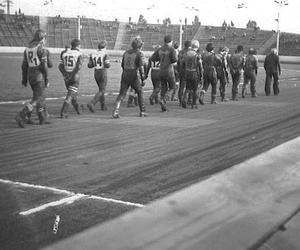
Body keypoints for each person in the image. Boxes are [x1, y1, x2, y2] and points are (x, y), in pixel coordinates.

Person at [15, 29, 50, 128]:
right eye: (45, 38)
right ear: (42, 38)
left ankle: (41, 118)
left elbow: (24, 66)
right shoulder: (41, 49)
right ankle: (21, 115)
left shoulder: (27, 49)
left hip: (31, 76)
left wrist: (24, 79)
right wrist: (47, 79)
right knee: (37, 98)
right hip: (39, 76)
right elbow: (45, 66)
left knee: (39, 96)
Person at [112, 37, 147, 118]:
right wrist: (143, 78)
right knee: (140, 92)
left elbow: (122, 65)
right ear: (140, 46)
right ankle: (142, 111)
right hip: (134, 75)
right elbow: (141, 67)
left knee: (122, 94)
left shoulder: (126, 53)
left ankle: (116, 110)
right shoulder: (140, 54)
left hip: (125, 74)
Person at [151, 35, 178, 112]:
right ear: (170, 41)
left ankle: (163, 104)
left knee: (163, 88)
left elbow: (153, 58)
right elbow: (175, 60)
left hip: (161, 71)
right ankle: (165, 99)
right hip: (169, 71)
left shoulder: (159, 49)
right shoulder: (172, 49)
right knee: (173, 87)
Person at [58, 39, 83, 118]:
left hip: (66, 77)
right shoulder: (79, 54)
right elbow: (78, 66)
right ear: (78, 46)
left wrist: (65, 75)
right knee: (70, 95)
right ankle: (63, 112)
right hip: (74, 77)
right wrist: (72, 75)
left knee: (72, 94)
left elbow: (60, 66)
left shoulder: (65, 53)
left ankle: (78, 109)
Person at [87, 40, 110, 112]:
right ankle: (92, 103)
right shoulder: (105, 53)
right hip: (102, 72)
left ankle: (103, 106)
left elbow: (89, 65)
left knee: (101, 89)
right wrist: (108, 63)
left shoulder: (93, 53)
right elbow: (107, 65)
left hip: (96, 72)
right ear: (105, 47)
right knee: (102, 90)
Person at [181, 40, 203, 109]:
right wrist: (201, 76)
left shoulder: (186, 54)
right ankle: (194, 104)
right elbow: (200, 66)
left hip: (187, 72)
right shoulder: (198, 55)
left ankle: (184, 99)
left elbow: (182, 63)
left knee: (187, 88)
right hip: (194, 73)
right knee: (195, 89)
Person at [177, 40, 191, 105]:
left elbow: (178, 62)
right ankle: (187, 99)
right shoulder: (190, 52)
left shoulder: (180, 52)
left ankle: (180, 100)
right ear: (189, 46)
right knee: (189, 85)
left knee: (181, 86)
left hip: (181, 71)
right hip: (188, 71)